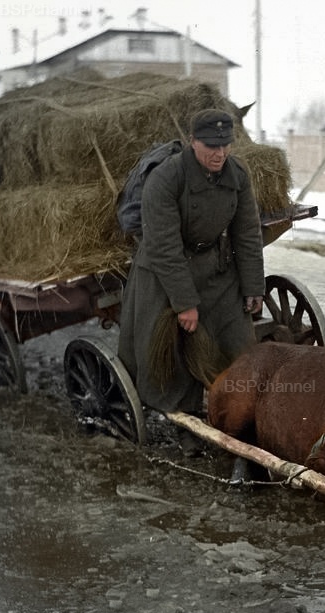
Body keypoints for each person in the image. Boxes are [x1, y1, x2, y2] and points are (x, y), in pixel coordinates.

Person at [118, 108, 265, 414]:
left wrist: (253, 286)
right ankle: (181, 418)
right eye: (212, 145)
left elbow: (247, 233)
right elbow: (163, 247)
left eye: (225, 144)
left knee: (238, 342)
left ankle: (237, 409)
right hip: (162, 273)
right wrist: (184, 303)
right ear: (192, 141)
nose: (220, 153)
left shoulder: (237, 174)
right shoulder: (165, 178)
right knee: (171, 354)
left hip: (213, 265)